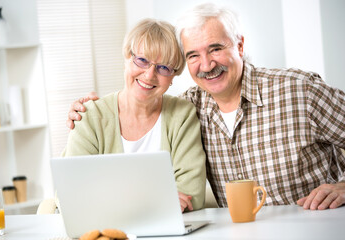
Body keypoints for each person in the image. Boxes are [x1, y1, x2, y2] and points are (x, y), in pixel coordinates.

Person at [67, 3, 345, 210]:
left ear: (240, 44)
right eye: (193, 55)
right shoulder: (190, 108)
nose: (207, 64)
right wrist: (85, 111)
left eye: (215, 48)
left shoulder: (298, 91)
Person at [62, 18, 206, 212]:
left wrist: (108, 199)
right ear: (126, 59)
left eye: (163, 67)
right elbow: (71, 194)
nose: (149, 75)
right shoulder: (90, 116)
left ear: (173, 76)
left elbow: (192, 194)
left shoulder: (182, 115)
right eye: (142, 60)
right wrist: (161, 200)